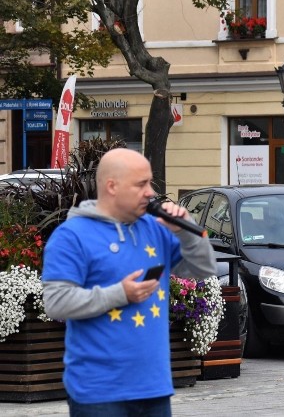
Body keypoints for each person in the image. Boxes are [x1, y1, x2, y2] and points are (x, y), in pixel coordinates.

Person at [42, 148, 216, 416]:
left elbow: (203, 270)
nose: (150, 192)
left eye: (150, 183)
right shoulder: (72, 236)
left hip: (154, 388)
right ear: (112, 186)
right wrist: (120, 293)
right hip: (99, 392)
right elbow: (56, 303)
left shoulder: (156, 227)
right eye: (141, 184)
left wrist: (187, 230)